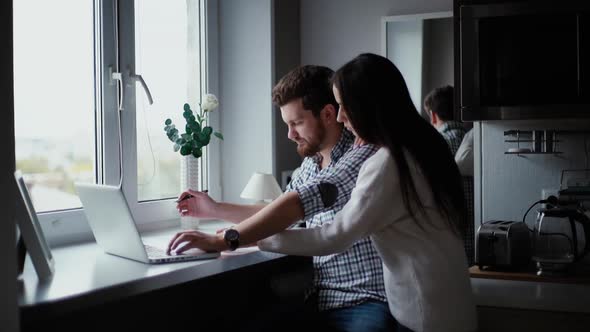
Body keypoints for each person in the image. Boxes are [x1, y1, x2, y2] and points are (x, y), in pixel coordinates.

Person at [168, 54, 477, 332]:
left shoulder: (376, 159)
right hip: (423, 306)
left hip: (403, 308)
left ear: (363, 108)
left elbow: (330, 232)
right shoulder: (413, 149)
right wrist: (216, 210)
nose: (343, 117)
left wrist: (231, 238)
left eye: (344, 107)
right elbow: (280, 210)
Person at [171, 65, 394, 332]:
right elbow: (278, 211)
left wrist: (222, 240)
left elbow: (296, 205)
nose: (290, 134)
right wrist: (215, 209)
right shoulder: (311, 165)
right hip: (321, 299)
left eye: (296, 123)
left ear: (327, 114)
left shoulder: (364, 152)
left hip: (367, 301)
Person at [424, 85, 474, 266]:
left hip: (448, 248)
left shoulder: (434, 145)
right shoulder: (476, 140)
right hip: (477, 243)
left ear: (433, 115)